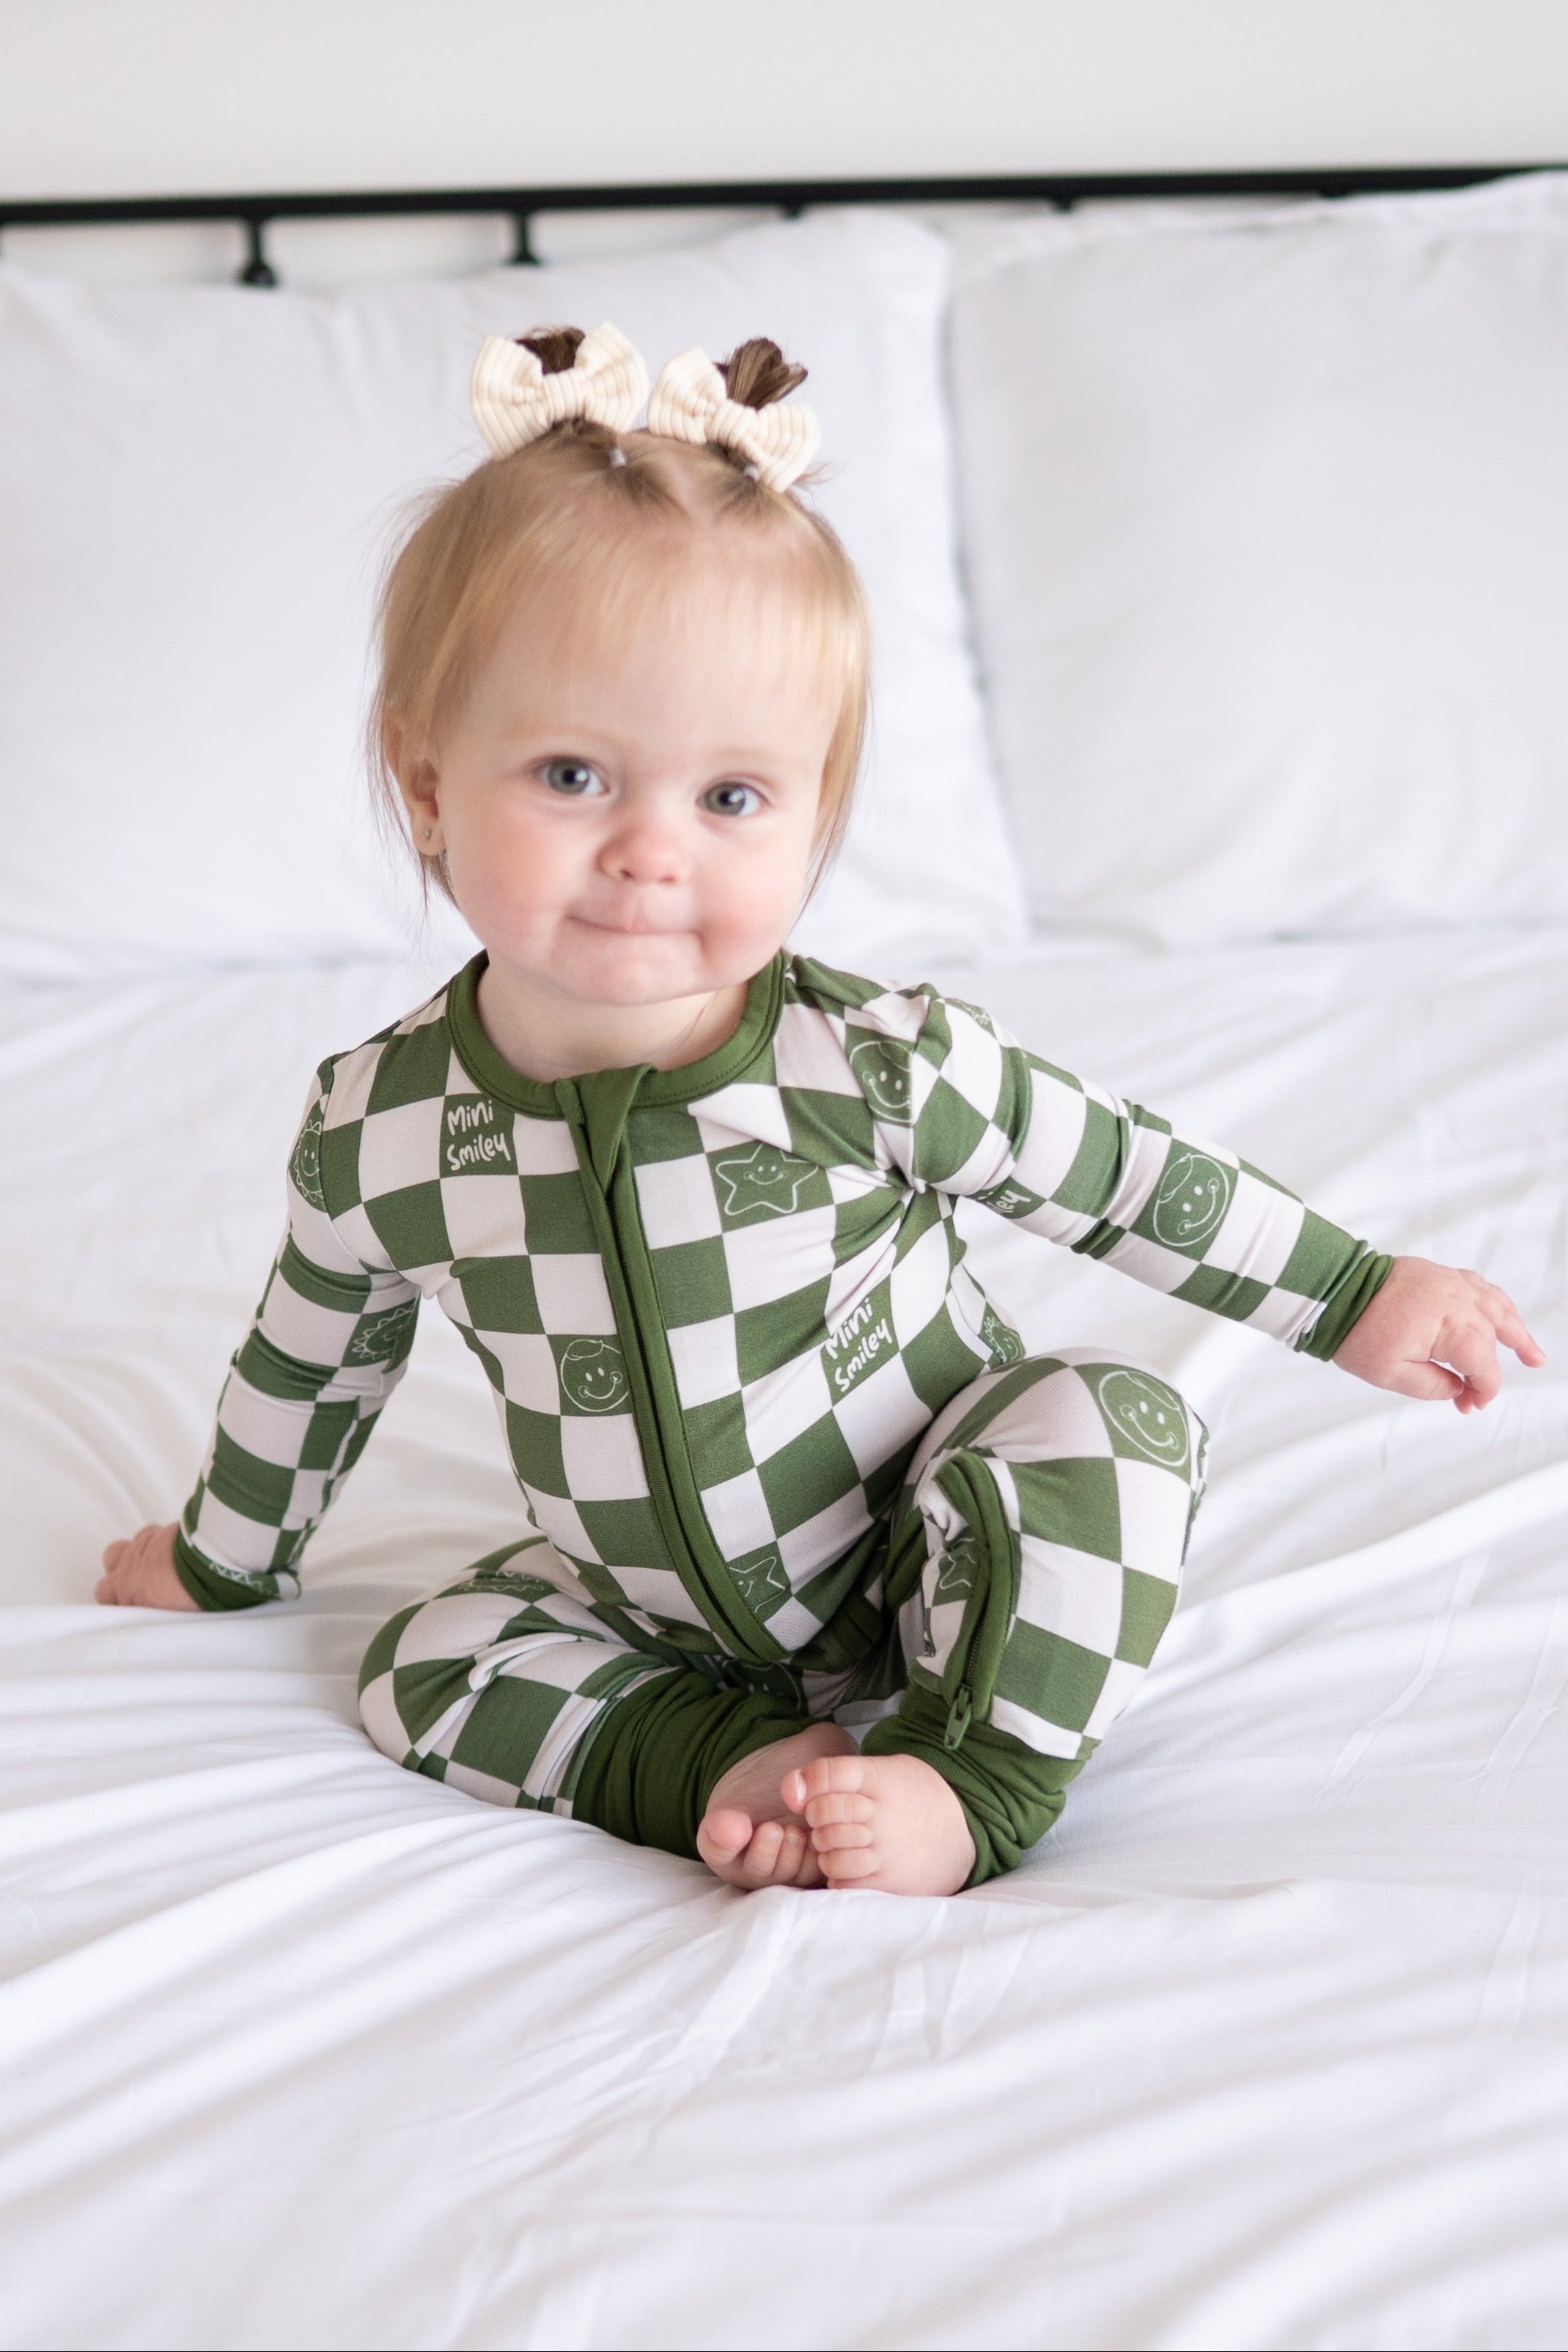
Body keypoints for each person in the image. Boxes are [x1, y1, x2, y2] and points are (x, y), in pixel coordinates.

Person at [97, 321, 1545, 1895]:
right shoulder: (379, 1127)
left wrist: (1350, 1291)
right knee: (415, 1661)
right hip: (639, 1609)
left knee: (1109, 1429)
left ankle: (968, 1774)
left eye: (729, 798)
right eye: (574, 774)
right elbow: (307, 1359)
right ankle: (734, 1762)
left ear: (811, 820)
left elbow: (1125, 1176)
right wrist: (218, 1557)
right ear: (431, 780)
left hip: (939, 1545)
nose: (654, 851)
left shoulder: (869, 1060)